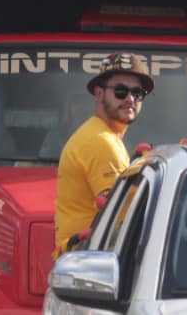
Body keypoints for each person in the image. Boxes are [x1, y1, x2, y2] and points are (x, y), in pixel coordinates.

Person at [53, 52, 154, 256]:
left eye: (138, 93)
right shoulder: (101, 141)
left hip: (85, 260)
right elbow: (124, 216)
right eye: (120, 91)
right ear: (99, 94)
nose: (130, 99)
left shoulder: (103, 136)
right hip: (89, 263)